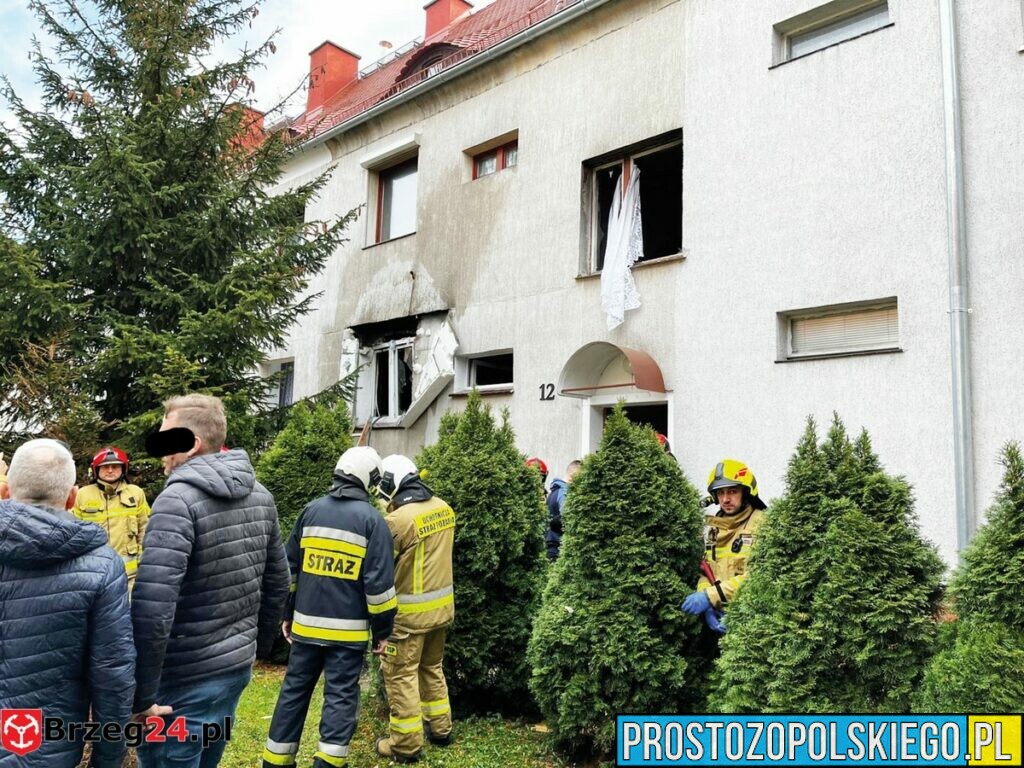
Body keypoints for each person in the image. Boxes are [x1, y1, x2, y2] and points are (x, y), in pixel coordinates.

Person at [131, 394, 290, 768]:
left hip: (179, 683)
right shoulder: (261, 496)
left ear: (193, 443)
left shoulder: (176, 502)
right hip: (231, 672)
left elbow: (154, 610)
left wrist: (141, 695)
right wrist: (252, 651)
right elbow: (279, 582)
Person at [0, 439, 135, 768]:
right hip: (47, 746)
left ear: (5, 492)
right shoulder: (103, 567)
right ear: (73, 497)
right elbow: (112, 676)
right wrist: (107, 758)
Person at [262, 447, 397, 768]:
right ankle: (328, 763)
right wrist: (383, 632)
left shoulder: (310, 512)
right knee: (340, 697)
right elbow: (379, 589)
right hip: (347, 637)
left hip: (306, 629)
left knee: (293, 694)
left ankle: (275, 761)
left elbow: (288, 571)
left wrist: (287, 613)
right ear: (368, 479)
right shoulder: (372, 522)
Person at [374, 454, 456, 763]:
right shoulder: (444, 509)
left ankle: (405, 745)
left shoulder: (399, 520)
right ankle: (441, 728)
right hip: (441, 611)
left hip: (408, 618)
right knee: (431, 668)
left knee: (401, 675)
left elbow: (379, 560)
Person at [681, 459, 767, 634]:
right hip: (719, 617)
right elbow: (707, 571)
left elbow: (760, 576)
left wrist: (710, 596)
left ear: (746, 493)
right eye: (720, 493)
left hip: (754, 620)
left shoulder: (763, 524)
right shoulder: (713, 529)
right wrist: (708, 605)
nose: (726, 499)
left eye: (733, 491)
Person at [73, 446, 150, 590]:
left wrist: (144, 563)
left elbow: (145, 530)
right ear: (96, 470)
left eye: (115, 466)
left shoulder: (136, 493)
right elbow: (74, 532)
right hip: (93, 574)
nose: (110, 470)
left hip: (130, 576)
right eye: (105, 467)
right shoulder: (83, 495)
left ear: (123, 468)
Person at [545, 459, 581, 561]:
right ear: (574, 476)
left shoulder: (554, 492)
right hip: (558, 548)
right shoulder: (564, 493)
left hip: (551, 546)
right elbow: (566, 518)